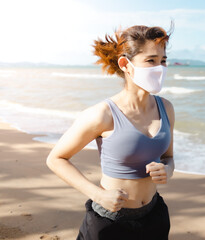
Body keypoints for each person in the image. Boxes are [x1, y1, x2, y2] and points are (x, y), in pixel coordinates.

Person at [46, 23, 175, 240]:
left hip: (154, 215)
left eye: (163, 61)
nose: (159, 67)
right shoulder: (102, 114)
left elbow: (168, 157)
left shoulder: (166, 108)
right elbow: (56, 158)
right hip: (110, 223)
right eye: (151, 60)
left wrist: (167, 170)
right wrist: (97, 195)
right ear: (126, 64)